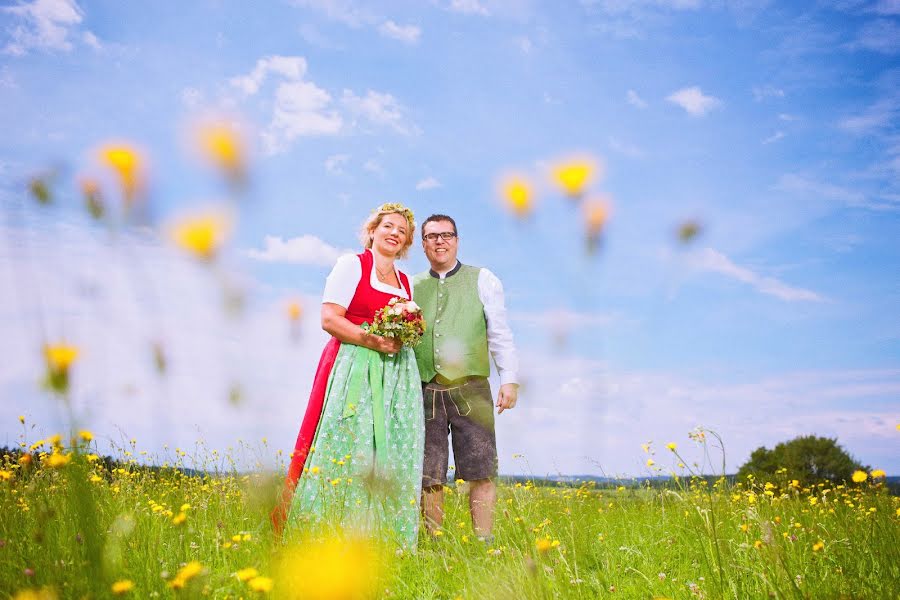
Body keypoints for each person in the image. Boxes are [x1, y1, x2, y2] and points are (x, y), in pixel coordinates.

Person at [273, 203, 424, 548]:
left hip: (396, 376)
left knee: (390, 452)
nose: (394, 233)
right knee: (346, 445)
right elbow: (329, 319)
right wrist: (373, 340)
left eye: (402, 231)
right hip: (354, 365)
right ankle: (327, 535)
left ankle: (382, 540)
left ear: (406, 243)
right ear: (373, 230)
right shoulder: (351, 265)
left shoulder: (406, 283)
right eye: (388, 226)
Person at [413, 214, 519, 541]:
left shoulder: (483, 279)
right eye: (432, 236)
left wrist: (509, 378)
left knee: (481, 470)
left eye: (446, 235)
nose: (439, 241)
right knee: (429, 475)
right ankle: (435, 544)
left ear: (457, 240)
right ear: (423, 244)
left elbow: (499, 332)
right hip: (423, 387)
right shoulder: (411, 285)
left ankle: (484, 545)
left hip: (471, 388)